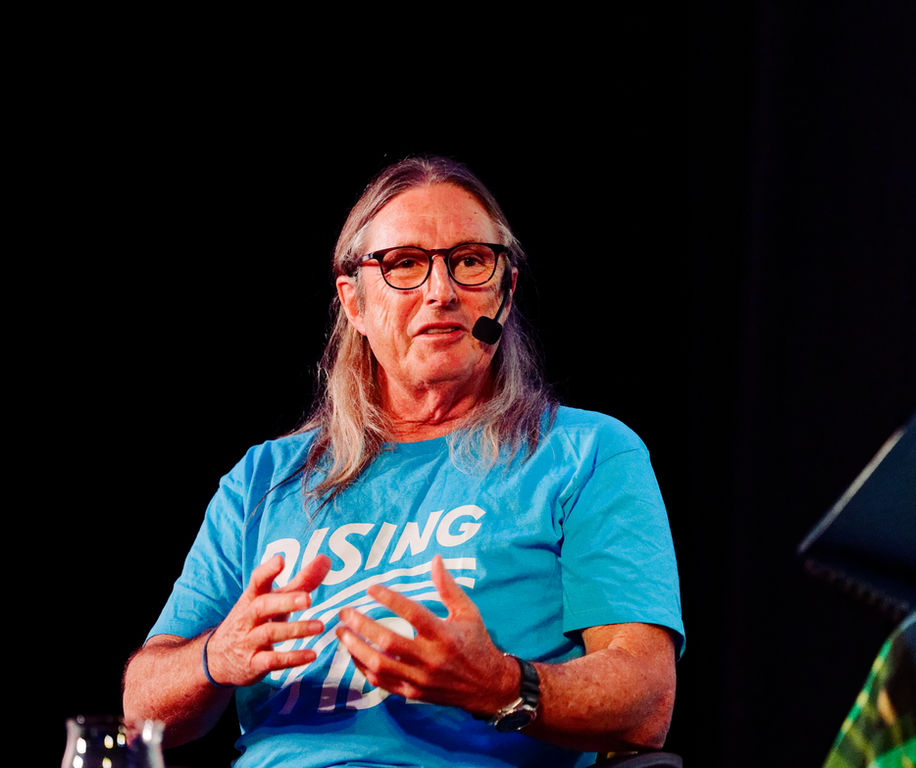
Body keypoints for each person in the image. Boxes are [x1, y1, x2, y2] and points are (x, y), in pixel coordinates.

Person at [122, 155, 685, 768]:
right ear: (355, 304)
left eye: (470, 261)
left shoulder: (586, 453)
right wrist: (216, 656)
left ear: (506, 289)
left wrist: (500, 685)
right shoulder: (265, 478)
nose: (441, 291)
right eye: (405, 265)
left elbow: (645, 700)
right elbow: (141, 709)